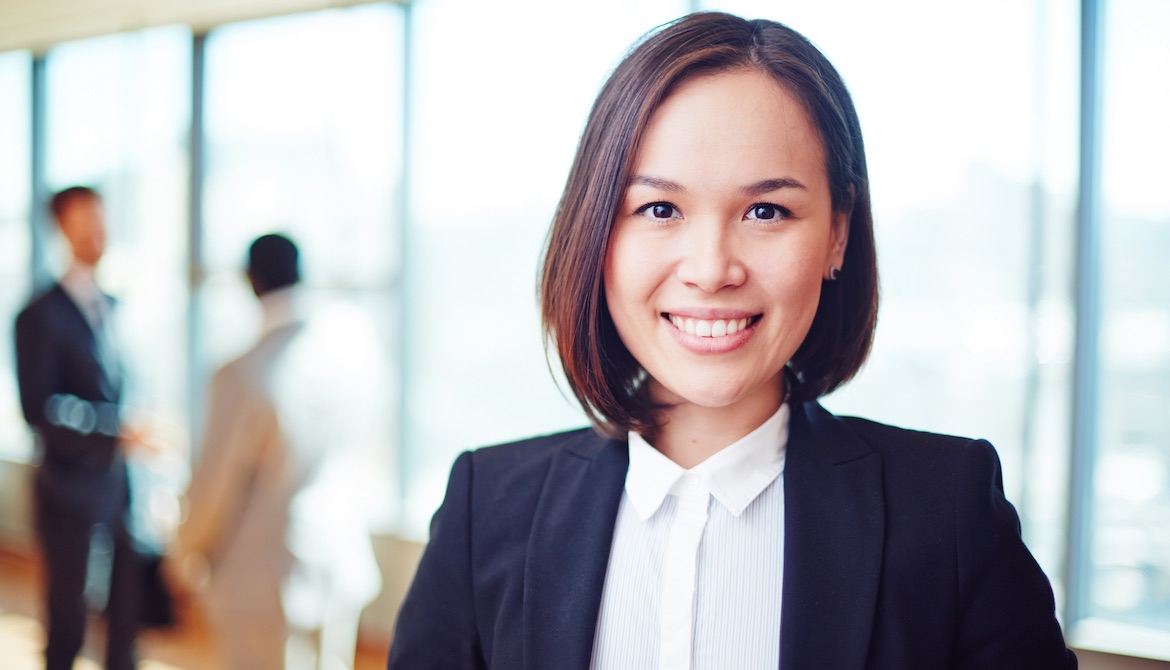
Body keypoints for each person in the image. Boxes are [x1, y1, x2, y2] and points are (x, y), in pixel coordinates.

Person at [388, 12, 1077, 670]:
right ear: (597, 231)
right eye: (659, 209)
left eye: (766, 210)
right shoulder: (487, 510)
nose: (712, 268)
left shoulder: (946, 513)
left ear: (837, 233)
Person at [169, 233, 382, 670]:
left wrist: (181, 554)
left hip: (263, 579)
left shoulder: (243, 374)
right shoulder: (354, 355)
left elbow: (213, 489)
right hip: (338, 560)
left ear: (252, 280)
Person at [14, 185, 141, 670]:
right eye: (83, 220)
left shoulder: (115, 306)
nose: (96, 230)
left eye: (100, 219)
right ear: (61, 228)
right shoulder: (38, 314)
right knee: (69, 621)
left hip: (120, 489)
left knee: (127, 620)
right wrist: (116, 431)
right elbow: (40, 409)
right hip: (68, 492)